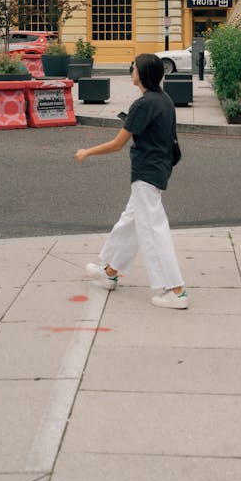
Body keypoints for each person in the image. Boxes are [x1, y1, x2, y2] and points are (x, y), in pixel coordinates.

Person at [75, 53, 188, 309]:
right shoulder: (164, 99)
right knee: (131, 222)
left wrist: (87, 152)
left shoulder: (144, 104)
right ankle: (110, 272)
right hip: (158, 170)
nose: (131, 69)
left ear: (143, 73)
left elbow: (117, 144)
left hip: (147, 172)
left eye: (134, 67)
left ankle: (175, 290)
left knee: (152, 230)